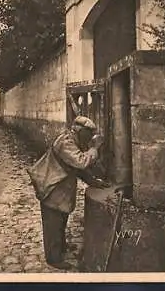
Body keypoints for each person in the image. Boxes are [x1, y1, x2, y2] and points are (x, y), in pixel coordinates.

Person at [38, 115, 109, 270]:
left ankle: (61, 247)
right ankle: (53, 258)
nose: (89, 139)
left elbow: (77, 169)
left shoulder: (73, 141)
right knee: (53, 223)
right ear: (79, 131)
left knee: (61, 219)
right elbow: (80, 162)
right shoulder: (65, 142)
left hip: (60, 189)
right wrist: (95, 148)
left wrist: (94, 182)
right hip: (52, 188)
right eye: (88, 135)